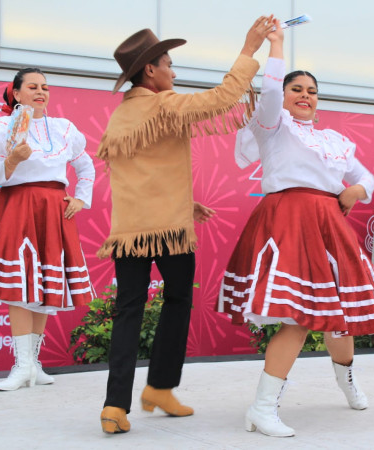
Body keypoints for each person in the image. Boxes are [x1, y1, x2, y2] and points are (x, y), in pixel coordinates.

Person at [216, 20, 374, 438]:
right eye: (296, 88)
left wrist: (355, 189)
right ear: (282, 94)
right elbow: (266, 93)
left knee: (340, 319)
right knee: (297, 317)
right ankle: (262, 408)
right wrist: (276, 43)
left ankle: (346, 380)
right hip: (287, 221)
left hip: (329, 225)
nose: (304, 95)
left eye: (312, 91)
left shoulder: (335, 139)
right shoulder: (271, 125)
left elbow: (368, 177)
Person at [96, 19, 274, 435]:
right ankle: (159, 386)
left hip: (130, 232)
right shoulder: (163, 104)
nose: (174, 73)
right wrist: (249, 49)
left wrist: (183, 201)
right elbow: (221, 100)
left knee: (128, 312)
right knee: (177, 302)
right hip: (169, 233)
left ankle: (114, 406)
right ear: (150, 71)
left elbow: (138, 173)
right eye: (169, 65)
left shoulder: (121, 116)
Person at [0, 68, 96, 391]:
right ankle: (22, 365)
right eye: (33, 87)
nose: (41, 92)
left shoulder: (63, 128)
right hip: (19, 206)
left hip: (54, 209)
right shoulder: (2, 128)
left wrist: (81, 198)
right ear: (15, 93)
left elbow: (85, 165)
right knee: (20, 286)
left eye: (45, 87)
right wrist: (13, 159)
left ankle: (34, 364)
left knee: (45, 289)